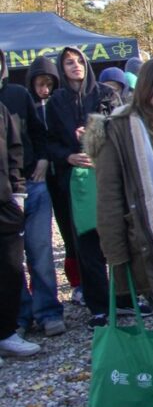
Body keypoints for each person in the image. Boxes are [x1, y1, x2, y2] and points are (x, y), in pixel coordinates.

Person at [87, 58, 153, 406]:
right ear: (143, 87)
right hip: (152, 239)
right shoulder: (119, 129)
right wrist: (116, 256)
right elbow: (108, 195)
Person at [45, 47, 123, 327]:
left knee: (116, 239)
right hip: (77, 181)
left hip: (108, 176)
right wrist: (67, 155)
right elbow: (49, 141)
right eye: (68, 62)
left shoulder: (105, 93)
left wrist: (96, 134)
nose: (75, 65)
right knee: (86, 244)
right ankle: (99, 306)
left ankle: (124, 299)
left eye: (79, 60)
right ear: (62, 68)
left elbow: (122, 131)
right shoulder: (57, 101)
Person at [1, 51, 64, 337]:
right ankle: (20, 316)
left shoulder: (16, 94)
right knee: (10, 260)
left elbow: (39, 132)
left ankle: (48, 312)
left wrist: (43, 158)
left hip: (32, 184)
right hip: (4, 193)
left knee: (40, 251)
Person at [27, 56, 79, 304]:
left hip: (64, 176)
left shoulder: (60, 105)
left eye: (48, 84)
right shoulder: (28, 107)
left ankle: (77, 282)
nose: (44, 90)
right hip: (38, 179)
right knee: (41, 242)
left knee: (72, 231)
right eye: (40, 84)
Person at [0, 97, 40, 362]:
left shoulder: (1, 109)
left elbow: (15, 150)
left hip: (4, 203)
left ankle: (6, 333)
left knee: (12, 269)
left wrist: (18, 192)